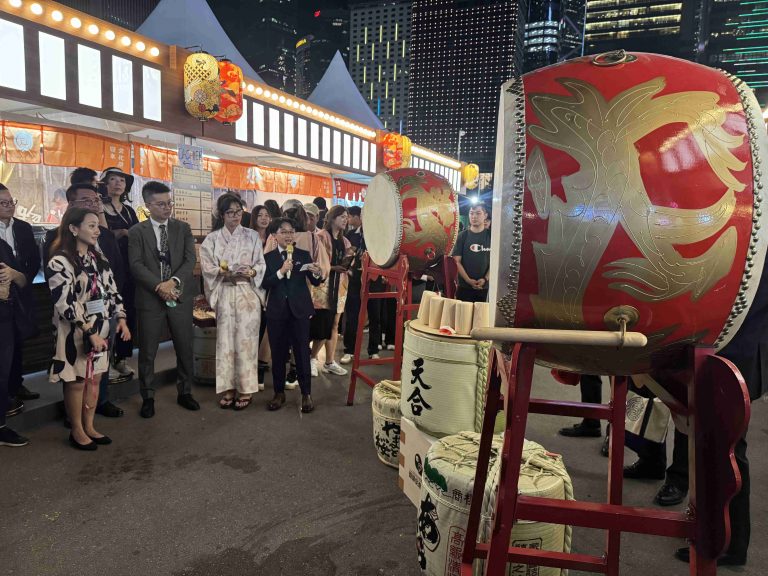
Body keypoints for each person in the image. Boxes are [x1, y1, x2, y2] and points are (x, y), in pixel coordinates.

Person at [47, 208, 130, 450]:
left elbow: (111, 290)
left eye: (97, 226)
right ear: (74, 228)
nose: (97, 231)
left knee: (95, 379)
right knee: (77, 381)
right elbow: (65, 303)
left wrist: (121, 317)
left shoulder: (98, 257)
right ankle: (77, 430)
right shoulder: (59, 261)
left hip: (101, 328)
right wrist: (89, 331)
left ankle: (90, 425)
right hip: (75, 331)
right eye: (91, 226)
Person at [128, 181, 200, 418]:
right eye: (161, 204)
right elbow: (136, 265)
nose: (167, 208)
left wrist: (173, 283)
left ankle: (185, 391)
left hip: (179, 296)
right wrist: (159, 286)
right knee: (147, 351)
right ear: (148, 205)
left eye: (169, 203)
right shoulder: (137, 232)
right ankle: (148, 396)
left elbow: (190, 260)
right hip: (150, 298)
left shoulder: (183, 228)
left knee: (184, 346)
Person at [200, 193, 265, 410]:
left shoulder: (252, 236)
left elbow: (261, 264)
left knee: (246, 342)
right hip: (226, 292)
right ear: (221, 214)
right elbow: (207, 267)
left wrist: (252, 271)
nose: (235, 216)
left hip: (247, 293)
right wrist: (223, 272)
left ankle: (245, 388)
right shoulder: (212, 239)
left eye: (239, 211)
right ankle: (228, 387)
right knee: (225, 343)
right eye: (230, 212)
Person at [262, 218, 323, 413]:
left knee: (302, 353)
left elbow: (314, 281)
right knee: (278, 354)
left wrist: (318, 272)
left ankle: (306, 394)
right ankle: (279, 393)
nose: (288, 235)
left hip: (299, 311)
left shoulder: (303, 254)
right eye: (284, 231)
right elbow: (265, 283)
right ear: (274, 235)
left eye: (291, 231)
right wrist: (280, 272)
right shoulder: (268, 258)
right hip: (276, 311)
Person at [0, 184, 41, 411]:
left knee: (18, 339)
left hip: (21, 290)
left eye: (11, 202)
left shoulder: (24, 228)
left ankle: (17, 384)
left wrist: (24, 279)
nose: (10, 207)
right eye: (4, 203)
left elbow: (34, 259)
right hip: (2, 292)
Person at [100, 167, 138, 380]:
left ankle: (122, 358)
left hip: (130, 268)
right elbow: (100, 236)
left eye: (121, 180)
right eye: (112, 179)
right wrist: (120, 233)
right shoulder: (99, 208)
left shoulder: (129, 211)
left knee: (128, 311)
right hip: (110, 269)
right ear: (104, 184)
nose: (117, 183)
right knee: (109, 314)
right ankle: (106, 361)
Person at [311, 205, 353, 377]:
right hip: (323, 287)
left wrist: (349, 264)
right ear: (332, 218)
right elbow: (317, 262)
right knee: (321, 325)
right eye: (342, 216)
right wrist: (333, 267)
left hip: (340, 286)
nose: (345, 219)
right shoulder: (320, 237)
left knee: (335, 323)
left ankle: (329, 361)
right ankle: (312, 358)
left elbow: (349, 262)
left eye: (347, 217)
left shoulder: (346, 241)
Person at [0, 234, 31, 446]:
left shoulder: (2, 246)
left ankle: (1, 427)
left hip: (4, 320)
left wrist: (12, 274)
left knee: (2, 375)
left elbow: (23, 280)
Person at [250, 204, 272, 386]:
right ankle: (250, 367)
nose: (264, 218)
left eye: (267, 215)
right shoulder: (248, 237)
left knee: (266, 325)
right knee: (253, 328)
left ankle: (260, 365)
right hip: (252, 287)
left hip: (270, 286)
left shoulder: (274, 237)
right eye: (260, 215)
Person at [452, 203, 491, 303]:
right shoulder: (462, 236)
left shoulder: (491, 236)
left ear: (485, 216)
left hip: (485, 288)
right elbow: (456, 261)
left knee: (482, 318)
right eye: (471, 213)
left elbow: (496, 261)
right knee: (463, 317)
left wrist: (485, 279)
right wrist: (468, 280)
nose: (474, 216)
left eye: (478, 213)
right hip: (464, 287)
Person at [341, 206, 365, 365]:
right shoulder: (350, 235)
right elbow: (346, 256)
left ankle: (374, 350)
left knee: (374, 315)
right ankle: (350, 350)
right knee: (352, 315)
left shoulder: (377, 236)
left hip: (373, 280)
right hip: (354, 280)